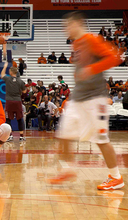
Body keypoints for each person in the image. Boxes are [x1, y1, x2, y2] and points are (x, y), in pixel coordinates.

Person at [51, 11, 124, 190]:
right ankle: (67, 169)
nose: (65, 29)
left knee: (100, 139)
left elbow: (116, 57)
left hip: (95, 99)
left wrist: (92, 69)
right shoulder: (76, 44)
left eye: (68, 25)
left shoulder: (92, 40)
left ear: (77, 24)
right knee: (64, 133)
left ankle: (116, 178)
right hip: (78, 98)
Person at [1, 62, 27, 141]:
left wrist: (5, 67)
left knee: (8, 119)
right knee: (20, 118)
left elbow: (2, 75)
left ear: (11, 72)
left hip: (9, 100)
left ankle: (10, 136)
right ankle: (21, 136)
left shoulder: (8, 79)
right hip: (17, 101)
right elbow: (25, 92)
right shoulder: (20, 81)